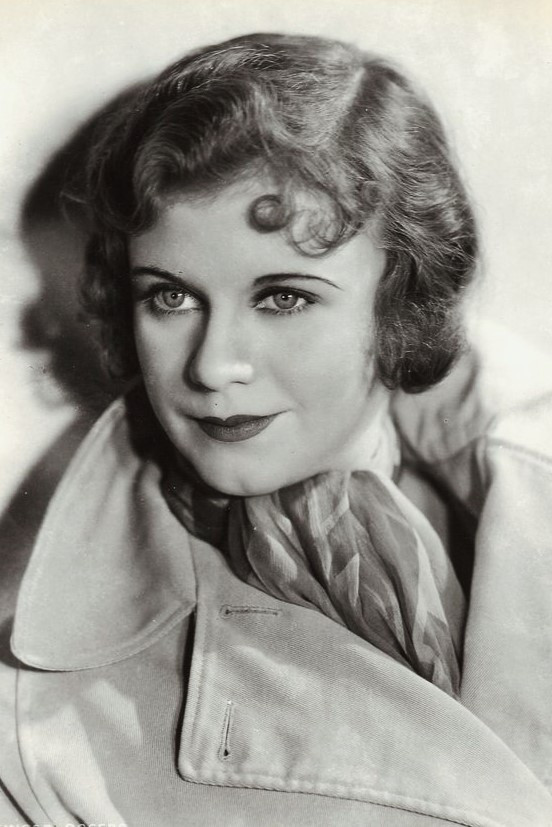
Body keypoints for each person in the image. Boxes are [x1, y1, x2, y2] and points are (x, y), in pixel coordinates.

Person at [1, 32, 552, 826]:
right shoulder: (41, 721)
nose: (213, 364)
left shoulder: (515, 485)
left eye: (282, 297)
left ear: (397, 297)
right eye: (169, 297)